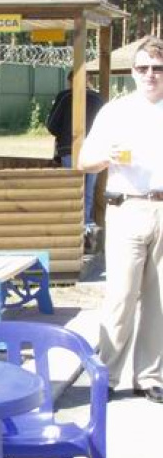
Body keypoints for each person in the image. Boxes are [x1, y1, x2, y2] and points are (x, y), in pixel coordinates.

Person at [79, 36, 163, 405]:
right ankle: (107, 376)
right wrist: (105, 156)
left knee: (159, 300)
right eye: (143, 68)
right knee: (121, 296)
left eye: (157, 68)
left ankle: (150, 377)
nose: (150, 75)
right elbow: (83, 162)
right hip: (126, 207)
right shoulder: (116, 111)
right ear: (132, 71)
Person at [45, 71, 104, 235]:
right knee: (88, 191)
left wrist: (64, 133)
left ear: (70, 81)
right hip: (95, 150)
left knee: (72, 188)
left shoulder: (64, 97)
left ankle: (71, 225)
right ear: (89, 81)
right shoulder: (99, 99)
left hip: (68, 149)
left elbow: (52, 125)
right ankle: (87, 225)